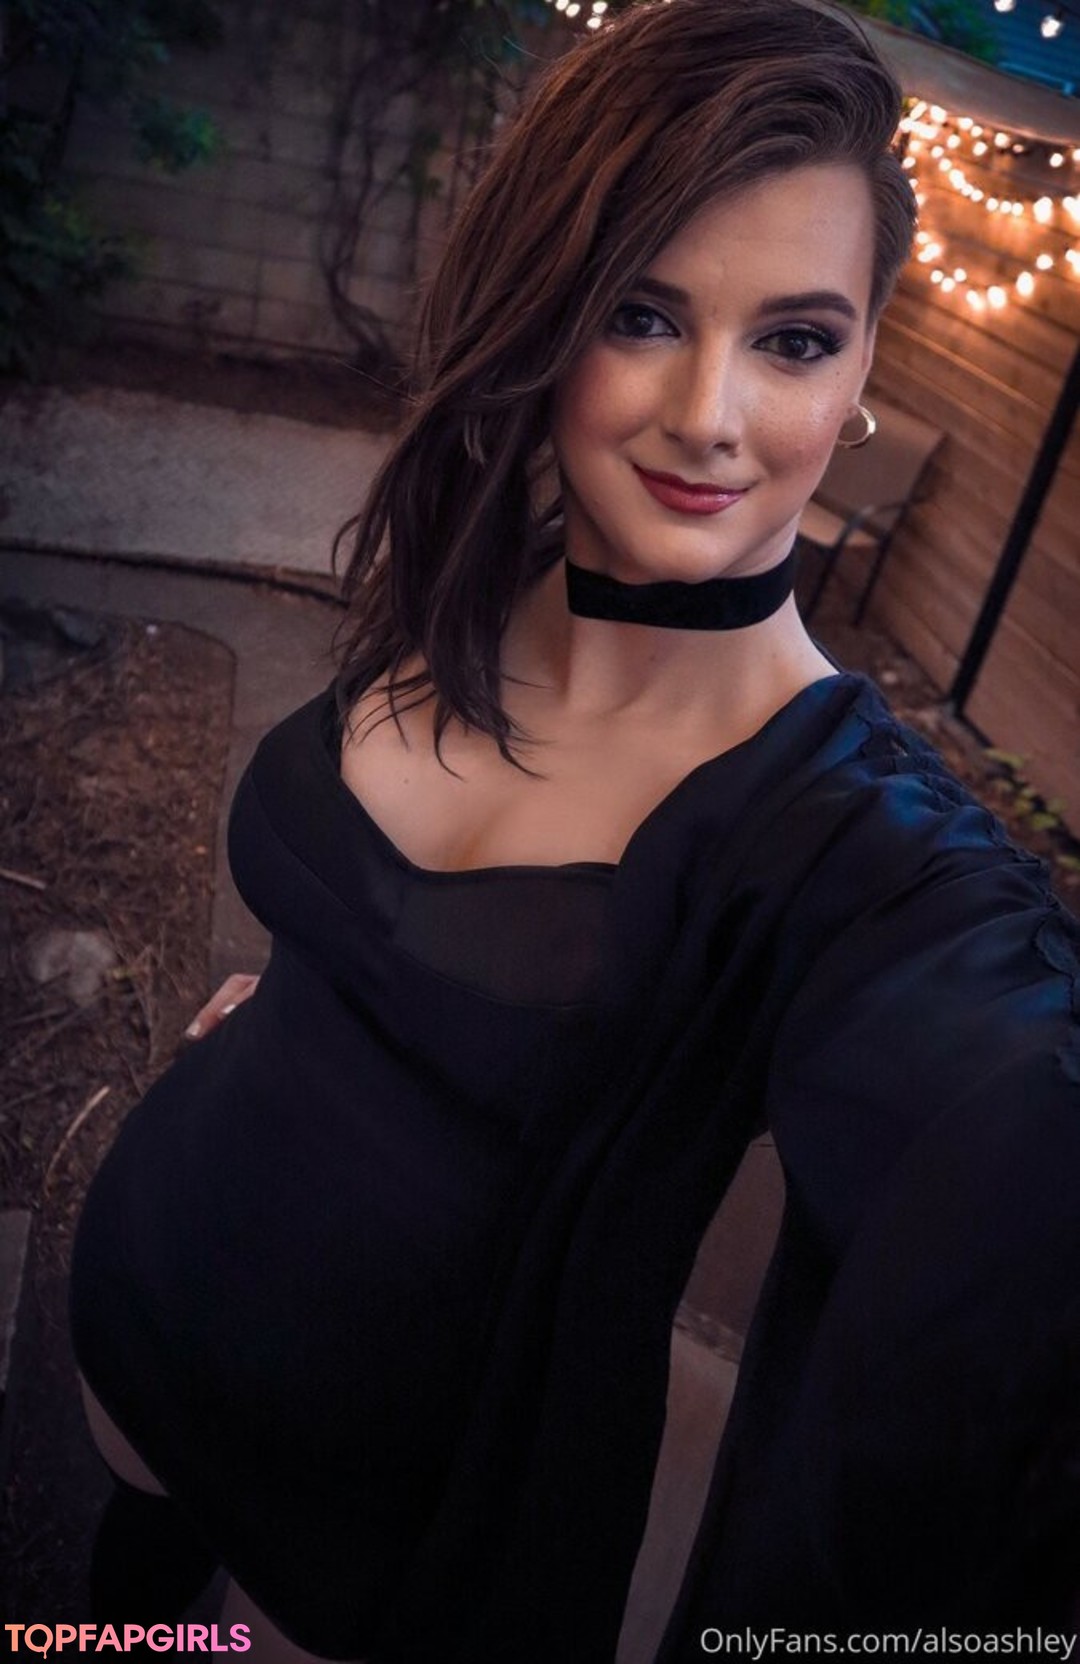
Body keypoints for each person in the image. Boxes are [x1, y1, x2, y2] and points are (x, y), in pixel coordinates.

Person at [70, 0, 1080, 1658]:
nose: (710, 414)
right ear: (547, 312)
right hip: (146, 1287)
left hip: (387, 1522)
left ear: (863, 369)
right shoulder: (478, 575)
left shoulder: (855, 850)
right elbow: (376, 912)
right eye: (643, 313)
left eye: (795, 340)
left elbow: (1010, 1132)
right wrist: (315, 1006)